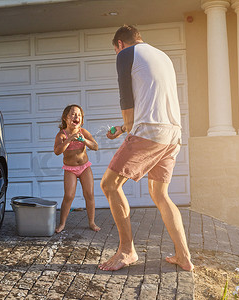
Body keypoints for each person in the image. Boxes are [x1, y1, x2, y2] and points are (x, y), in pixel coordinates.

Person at [98, 25, 194, 271]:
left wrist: (127, 129)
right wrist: (123, 129)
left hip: (150, 132)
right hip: (172, 133)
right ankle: (184, 256)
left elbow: (126, 99)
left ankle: (127, 251)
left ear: (120, 43)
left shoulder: (125, 55)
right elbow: (150, 104)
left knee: (109, 184)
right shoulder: (162, 56)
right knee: (160, 194)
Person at [54, 104, 101, 233]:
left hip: (84, 167)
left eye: (79, 115)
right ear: (65, 118)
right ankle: (62, 223)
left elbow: (95, 146)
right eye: (73, 114)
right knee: (69, 195)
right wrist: (69, 139)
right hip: (70, 169)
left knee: (89, 194)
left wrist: (84, 141)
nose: (77, 117)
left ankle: (91, 222)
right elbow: (57, 151)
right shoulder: (61, 135)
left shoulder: (83, 132)